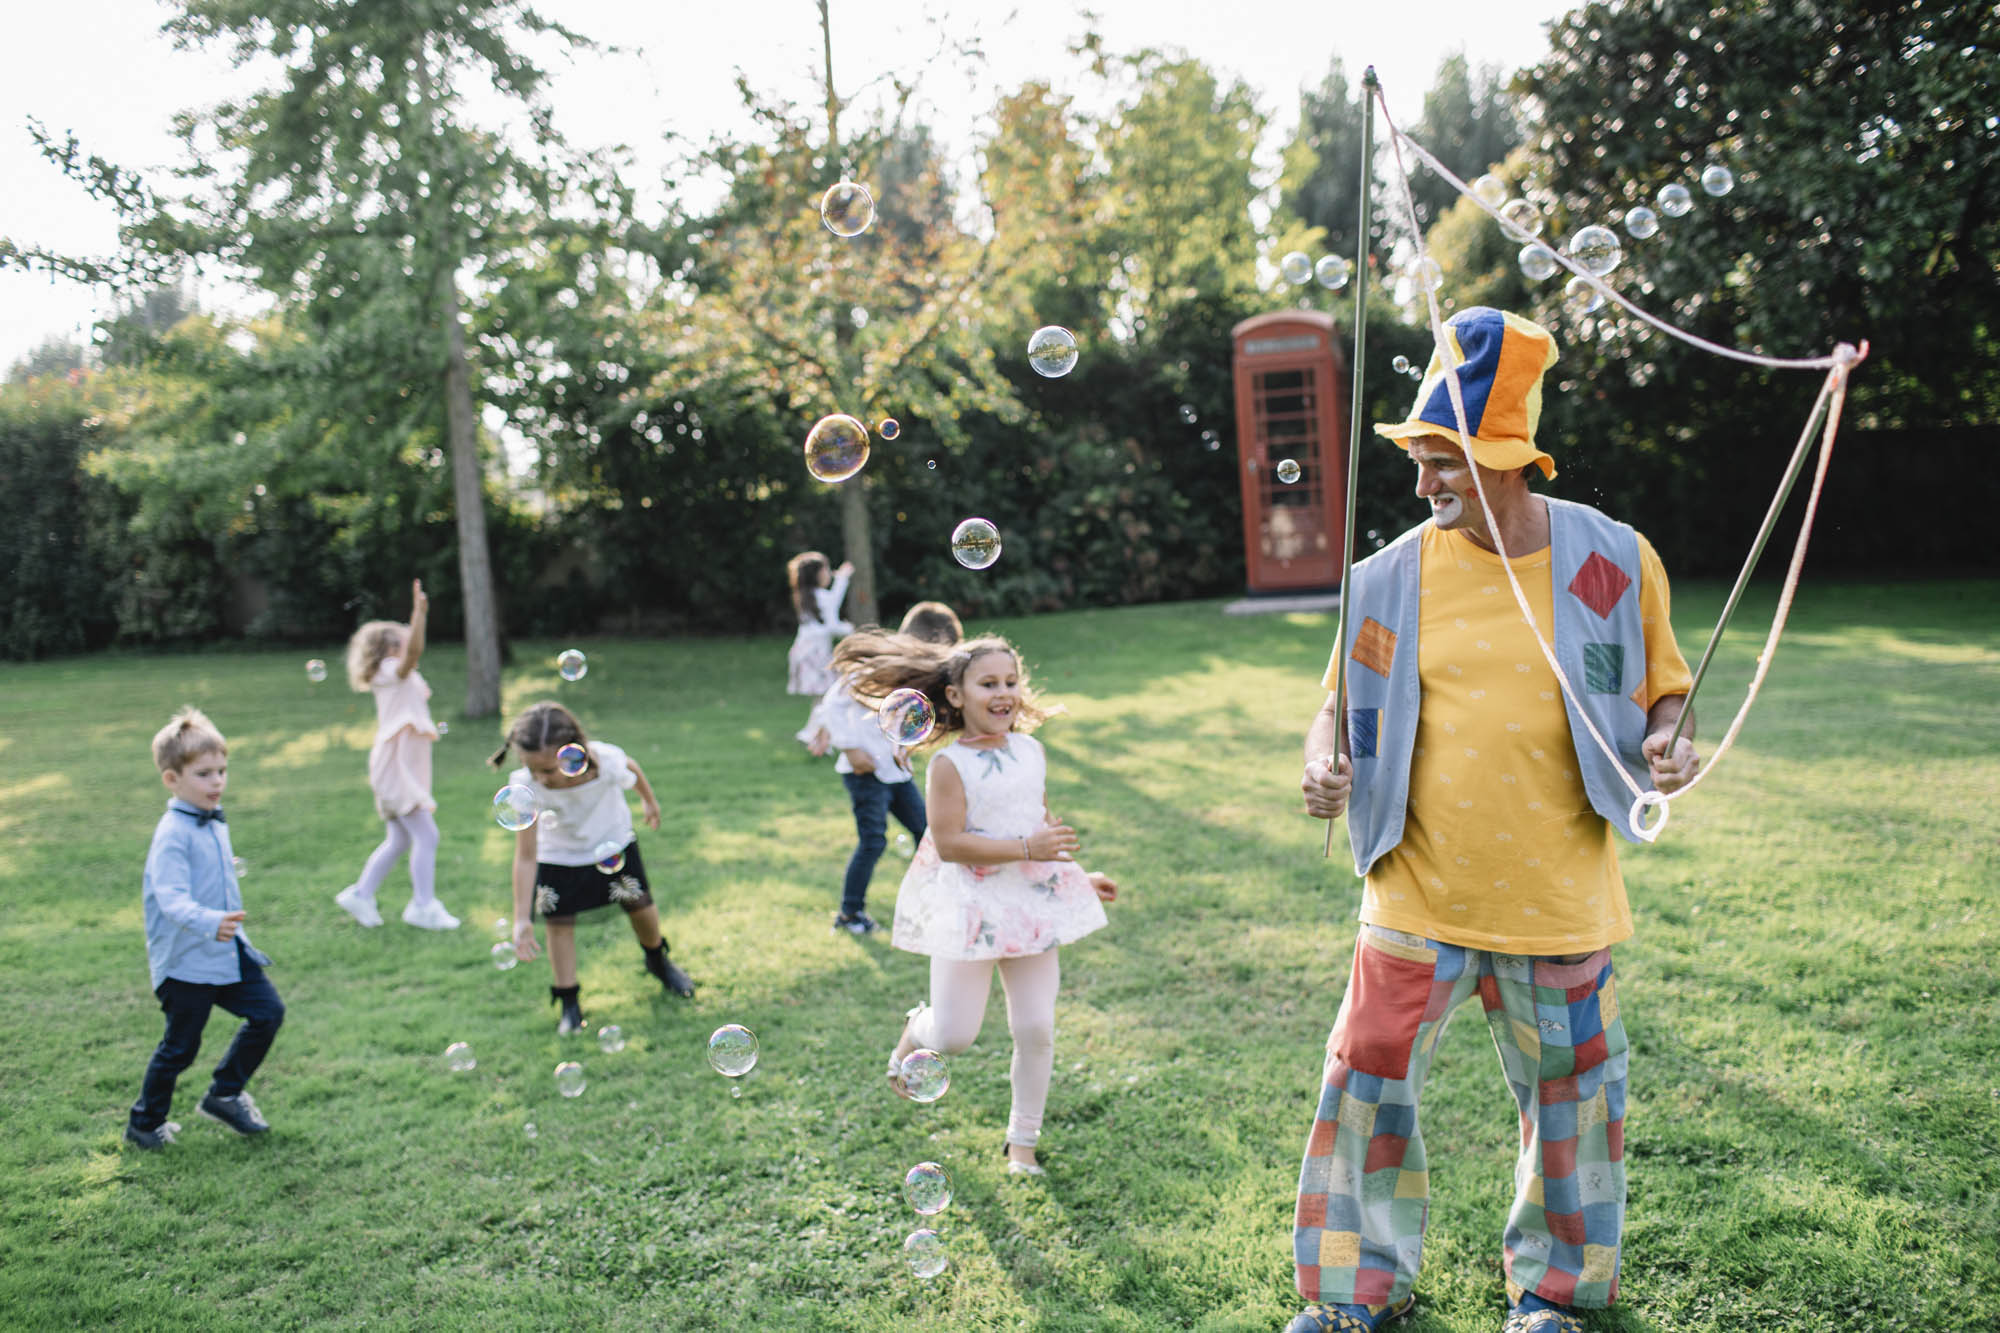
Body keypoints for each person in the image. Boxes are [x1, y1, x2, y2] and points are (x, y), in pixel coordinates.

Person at [1286, 308, 1700, 1333]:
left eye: (1445, 465)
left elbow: (1665, 690)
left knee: (1570, 1104)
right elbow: (1335, 705)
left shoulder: (1608, 558)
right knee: (1361, 1086)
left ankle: (1552, 1292)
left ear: (1507, 461)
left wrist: (1669, 739)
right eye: (1419, 462)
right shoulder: (1385, 575)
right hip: (1412, 891)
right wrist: (1320, 758)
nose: (1423, 485)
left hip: (1556, 897)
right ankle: (1350, 1293)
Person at [846, 633, 1118, 1176]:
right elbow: (948, 844)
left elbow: (1038, 826)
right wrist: (1026, 848)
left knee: (1037, 1027)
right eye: (988, 683)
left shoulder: (1031, 751)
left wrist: (1078, 877)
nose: (1004, 693)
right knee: (953, 1036)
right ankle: (915, 1029)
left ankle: (1022, 1144)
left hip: (1032, 905)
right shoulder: (949, 765)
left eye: (1011, 682)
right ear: (954, 696)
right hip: (970, 906)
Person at [126, 707, 285, 1149]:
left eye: (222, 771)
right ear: (172, 779)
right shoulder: (172, 833)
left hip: (228, 949)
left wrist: (224, 923)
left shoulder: (211, 817)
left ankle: (225, 1094)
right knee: (180, 1047)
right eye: (203, 773)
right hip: (186, 961)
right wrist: (209, 920)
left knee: (268, 1013)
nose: (217, 782)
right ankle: (144, 1123)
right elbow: (171, 898)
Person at [492, 701, 694, 1034]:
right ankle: (569, 1001)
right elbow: (526, 857)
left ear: (575, 752)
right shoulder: (525, 788)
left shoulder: (605, 761)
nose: (542, 778)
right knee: (558, 924)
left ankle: (658, 961)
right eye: (533, 770)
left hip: (613, 844)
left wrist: (649, 800)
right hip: (558, 857)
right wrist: (521, 919)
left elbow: (633, 768)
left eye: (548, 770)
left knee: (641, 908)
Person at [820, 601, 965, 935]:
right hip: (865, 773)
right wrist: (851, 748)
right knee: (873, 841)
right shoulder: (879, 666)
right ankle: (849, 913)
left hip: (895, 772)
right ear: (928, 642)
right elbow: (832, 704)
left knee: (927, 832)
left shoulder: (916, 675)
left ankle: (934, 901)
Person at [334, 579, 460, 930]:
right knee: (427, 835)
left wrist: (416, 621)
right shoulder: (389, 671)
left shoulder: (400, 675)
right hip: (395, 767)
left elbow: (414, 652)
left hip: (400, 766)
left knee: (401, 838)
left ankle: (360, 895)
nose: (408, 635)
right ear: (388, 648)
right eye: (400, 635)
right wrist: (419, 613)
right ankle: (423, 906)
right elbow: (413, 652)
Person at [786, 550, 854, 755]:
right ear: (815, 574)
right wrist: (848, 629)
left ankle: (813, 734)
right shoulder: (820, 597)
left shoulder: (805, 596)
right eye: (824, 569)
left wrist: (841, 579)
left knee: (822, 697)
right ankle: (814, 735)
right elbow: (832, 623)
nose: (827, 574)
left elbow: (830, 606)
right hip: (816, 654)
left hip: (804, 651)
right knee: (828, 695)